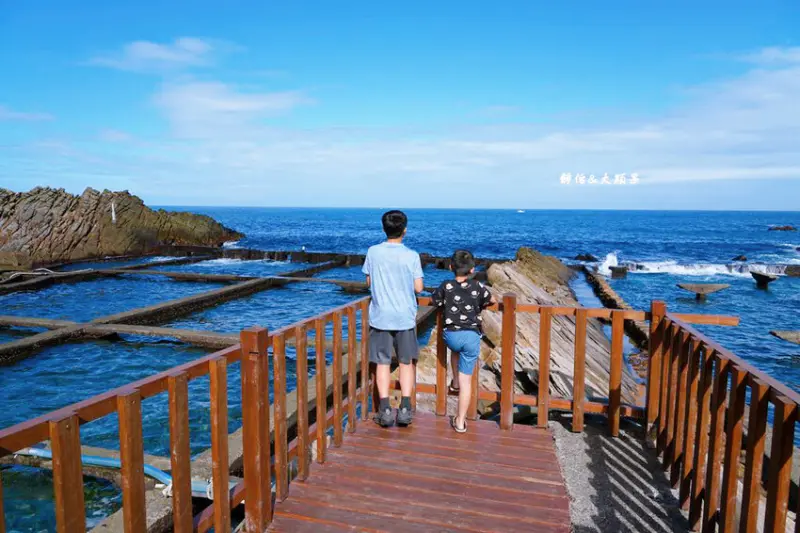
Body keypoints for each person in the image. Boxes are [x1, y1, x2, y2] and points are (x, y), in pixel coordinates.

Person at [362, 210, 424, 427]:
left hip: (380, 316)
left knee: (382, 363)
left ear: (384, 229)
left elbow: (369, 282)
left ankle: (385, 409)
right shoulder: (412, 255)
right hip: (405, 317)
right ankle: (405, 408)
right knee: (406, 362)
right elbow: (419, 287)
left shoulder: (373, 252)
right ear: (404, 230)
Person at [430, 250, 495, 433]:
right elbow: (492, 299)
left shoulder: (446, 285)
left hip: (451, 336)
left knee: (455, 350)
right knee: (468, 382)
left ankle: (455, 382)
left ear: (451, 267)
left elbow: (434, 300)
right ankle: (460, 421)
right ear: (472, 269)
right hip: (471, 336)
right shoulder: (477, 286)